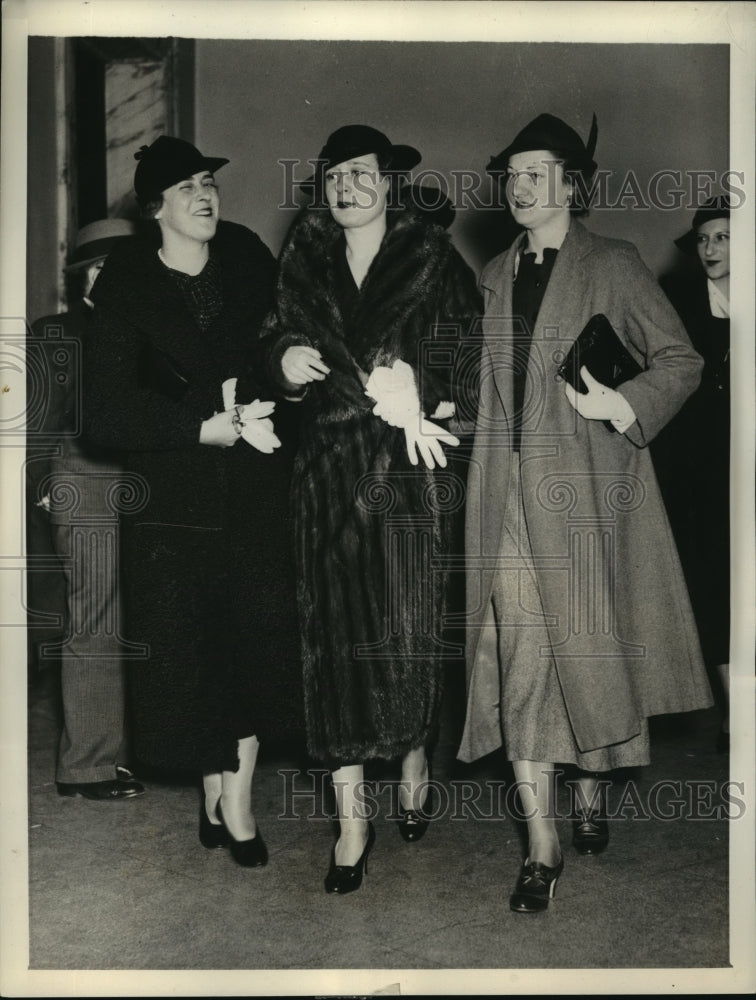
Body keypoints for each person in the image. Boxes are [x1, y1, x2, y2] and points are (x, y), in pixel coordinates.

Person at [457, 113, 713, 913]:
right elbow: (483, 394)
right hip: (504, 499)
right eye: (513, 173)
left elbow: (681, 360)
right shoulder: (491, 274)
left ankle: (596, 780)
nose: (521, 186)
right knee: (525, 656)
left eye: (539, 173)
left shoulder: (614, 264)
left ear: (573, 184)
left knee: (595, 656)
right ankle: (542, 840)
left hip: (591, 495)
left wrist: (621, 403)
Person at [261, 124, 481, 894]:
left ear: (387, 183)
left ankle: (415, 751)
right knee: (331, 646)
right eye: (333, 176)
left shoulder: (431, 258)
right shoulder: (304, 257)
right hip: (324, 476)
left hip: (406, 479)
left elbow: (472, 360)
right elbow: (275, 339)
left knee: (407, 634)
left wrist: (425, 388)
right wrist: (283, 364)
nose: (346, 186)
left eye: (360, 174)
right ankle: (352, 823)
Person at [84, 136, 296, 866]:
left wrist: (282, 385)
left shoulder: (245, 260)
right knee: (191, 651)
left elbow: (279, 343)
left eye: (209, 182)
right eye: (186, 189)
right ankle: (214, 788)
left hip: (254, 490)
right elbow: (104, 413)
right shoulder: (124, 286)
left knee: (251, 642)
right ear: (155, 210)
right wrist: (195, 427)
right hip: (171, 504)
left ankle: (237, 806)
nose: (205, 196)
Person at [28, 218, 144, 801]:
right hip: (85, 477)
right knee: (96, 618)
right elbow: (34, 427)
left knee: (152, 615)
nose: (110, 279)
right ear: (80, 280)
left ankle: (146, 750)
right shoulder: (57, 333)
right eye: (98, 269)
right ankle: (89, 766)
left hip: (154, 476)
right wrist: (45, 488)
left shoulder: (153, 331)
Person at [653, 196, 731, 751]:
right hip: (702, 466)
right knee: (712, 582)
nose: (710, 249)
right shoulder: (679, 304)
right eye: (704, 239)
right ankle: (733, 709)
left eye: (723, 237)